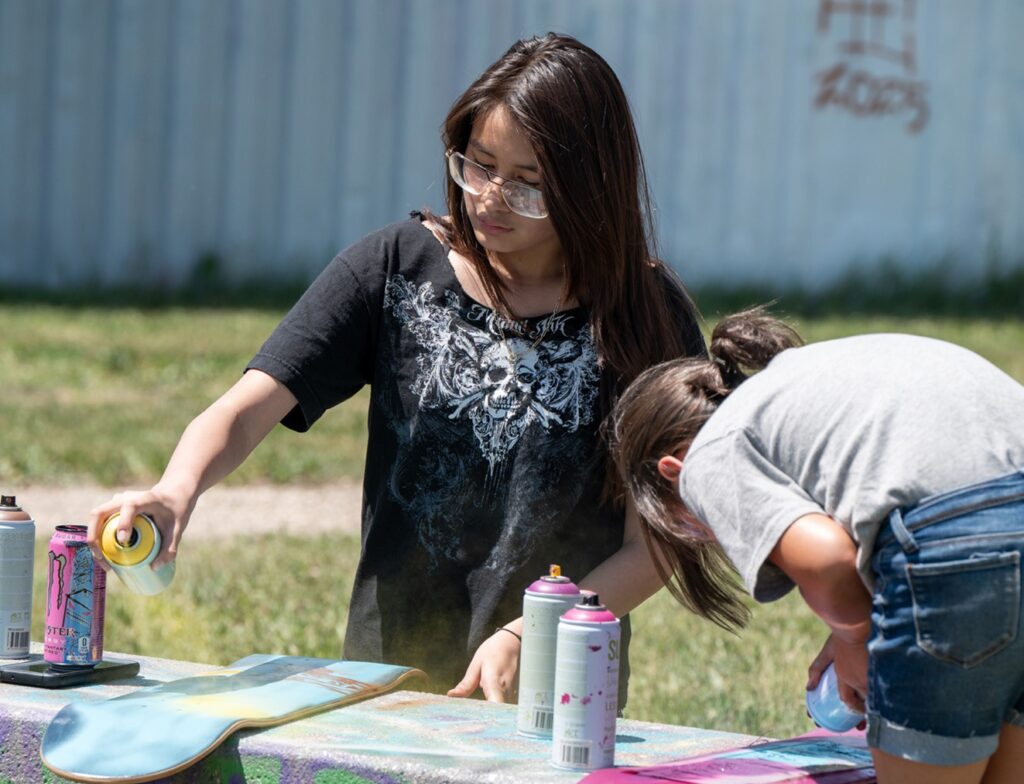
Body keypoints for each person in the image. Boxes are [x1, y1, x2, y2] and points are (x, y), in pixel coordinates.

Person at [87, 33, 705, 702]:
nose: (491, 197)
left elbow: (663, 540)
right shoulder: (394, 269)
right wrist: (176, 490)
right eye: (479, 165)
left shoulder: (646, 317)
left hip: (562, 692)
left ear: (591, 188)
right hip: (387, 681)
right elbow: (245, 410)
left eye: (528, 184)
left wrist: (537, 632)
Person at [610, 306, 1024, 784]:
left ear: (670, 473)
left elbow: (829, 561)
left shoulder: (709, 454)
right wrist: (872, 617)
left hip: (956, 555)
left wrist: (855, 636)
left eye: (689, 527)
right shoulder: (808, 387)